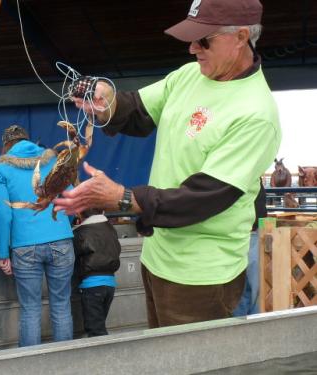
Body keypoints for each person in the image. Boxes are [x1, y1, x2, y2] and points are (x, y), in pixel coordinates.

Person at [54, 0, 281, 328]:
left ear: (241, 36)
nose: (192, 48)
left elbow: (202, 198)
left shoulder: (256, 113)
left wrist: (122, 198)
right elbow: (138, 110)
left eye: (204, 40)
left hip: (201, 277)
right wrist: (106, 103)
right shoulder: (190, 76)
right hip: (157, 259)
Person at [0, 125, 74, 347]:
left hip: (24, 245)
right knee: (62, 305)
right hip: (61, 240)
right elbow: (71, 196)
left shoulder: (2, 168)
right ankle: (67, 366)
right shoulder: (52, 159)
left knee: (30, 310)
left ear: (7, 145)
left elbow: (3, 212)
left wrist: (2, 252)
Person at [72, 209, 121, 337]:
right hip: (110, 284)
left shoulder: (79, 233)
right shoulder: (110, 229)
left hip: (91, 285)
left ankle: (104, 355)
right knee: (99, 324)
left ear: (79, 214)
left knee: (95, 329)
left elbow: (73, 257)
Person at [233, 180, 266, 316]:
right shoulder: (254, 178)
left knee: (246, 288)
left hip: (247, 234)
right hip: (247, 234)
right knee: (253, 288)